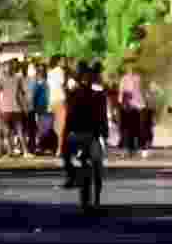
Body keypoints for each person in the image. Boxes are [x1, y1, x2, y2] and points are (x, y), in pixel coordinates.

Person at [60, 62, 109, 208]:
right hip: (81, 136)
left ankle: (96, 200)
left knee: (97, 167)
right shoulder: (79, 95)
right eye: (84, 78)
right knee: (75, 159)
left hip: (90, 136)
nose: (86, 80)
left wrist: (103, 133)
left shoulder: (96, 95)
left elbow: (102, 117)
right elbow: (69, 117)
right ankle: (73, 177)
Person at [0, 60, 29, 157]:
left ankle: (10, 151)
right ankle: (25, 151)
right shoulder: (18, 78)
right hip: (16, 108)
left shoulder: (1, 79)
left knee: (7, 131)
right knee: (19, 130)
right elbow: (21, 94)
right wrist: (25, 107)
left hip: (5, 108)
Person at [119, 62, 146, 158]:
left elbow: (140, 92)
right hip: (129, 107)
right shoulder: (124, 79)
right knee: (130, 129)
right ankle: (131, 149)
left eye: (132, 67)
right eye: (129, 67)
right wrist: (122, 104)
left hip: (136, 106)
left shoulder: (137, 78)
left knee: (136, 128)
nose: (130, 69)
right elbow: (122, 93)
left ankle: (138, 148)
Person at [47, 55, 68, 157]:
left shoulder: (50, 72)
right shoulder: (60, 71)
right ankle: (60, 149)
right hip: (60, 99)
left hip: (52, 100)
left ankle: (56, 148)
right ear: (58, 62)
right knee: (61, 126)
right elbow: (63, 84)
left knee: (56, 125)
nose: (65, 62)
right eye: (63, 60)